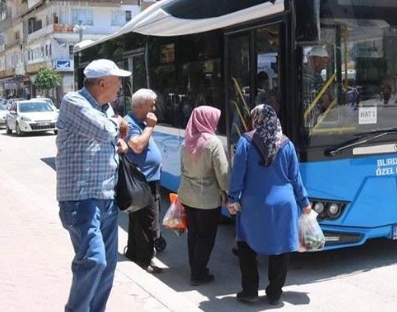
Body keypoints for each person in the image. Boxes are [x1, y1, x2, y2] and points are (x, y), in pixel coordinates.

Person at [55, 58, 131, 312]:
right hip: (81, 199)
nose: (120, 87)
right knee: (93, 260)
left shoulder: (106, 107)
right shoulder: (74, 102)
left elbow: (111, 134)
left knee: (108, 265)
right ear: (102, 83)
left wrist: (118, 141)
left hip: (107, 198)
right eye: (117, 81)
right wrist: (118, 125)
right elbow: (104, 130)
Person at [227, 104, 312, 306]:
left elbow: (238, 175)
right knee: (281, 248)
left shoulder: (246, 142)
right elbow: (295, 178)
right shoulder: (287, 144)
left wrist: (232, 199)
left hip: (253, 204)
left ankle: (249, 291)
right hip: (285, 204)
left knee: (246, 244)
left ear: (256, 119)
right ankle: (274, 294)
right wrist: (305, 203)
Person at [177, 105, 230, 286]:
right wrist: (227, 191)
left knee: (194, 233)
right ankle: (198, 273)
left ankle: (195, 267)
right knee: (206, 237)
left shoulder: (186, 141)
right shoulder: (213, 143)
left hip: (188, 196)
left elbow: (183, 169)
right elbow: (222, 172)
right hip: (207, 198)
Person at [123, 88, 164, 274]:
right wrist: (150, 127)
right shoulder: (131, 123)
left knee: (139, 220)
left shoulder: (139, 121)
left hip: (150, 177)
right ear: (140, 105)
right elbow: (137, 146)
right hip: (141, 181)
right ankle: (144, 259)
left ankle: (134, 253)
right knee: (147, 221)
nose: (154, 108)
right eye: (151, 104)